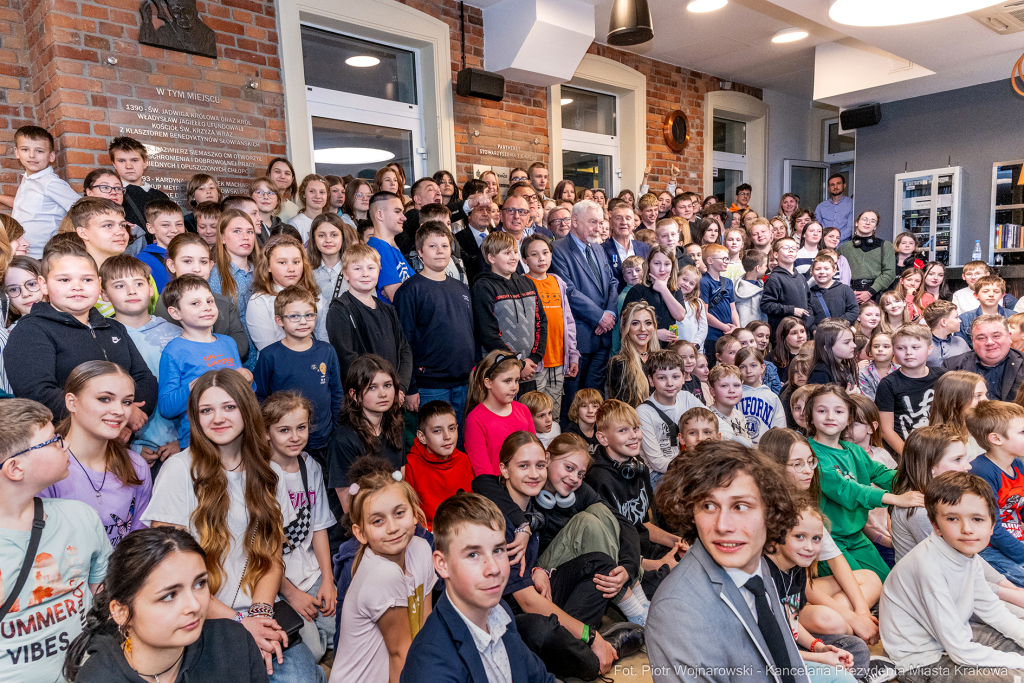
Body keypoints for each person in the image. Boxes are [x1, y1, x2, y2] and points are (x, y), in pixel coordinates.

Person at [142, 370, 325, 681]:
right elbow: (170, 569)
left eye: (229, 407)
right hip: (201, 618)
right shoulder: (179, 470)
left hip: (258, 609)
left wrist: (261, 615)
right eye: (206, 410)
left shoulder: (269, 473)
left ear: (246, 409)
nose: (217, 418)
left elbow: (271, 558)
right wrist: (240, 623)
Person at [648, 439, 807, 683]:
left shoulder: (755, 560)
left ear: (770, 510)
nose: (723, 526)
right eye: (709, 506)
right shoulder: (678, 611)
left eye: (740, 506)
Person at [64, 525, 270, 683]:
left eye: (200, 583)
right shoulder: (98, 677)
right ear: (121, 612)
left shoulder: (235, 641)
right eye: (170, 595)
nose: (195, 606)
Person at [0, 397, 110, 681]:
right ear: (15, 469)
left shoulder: (80, 517)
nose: (66, 445)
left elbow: (102, 595)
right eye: (52, 441)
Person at [880, 471, 1024, 680]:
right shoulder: (929, 567)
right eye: (952, 519)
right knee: (1008, 678)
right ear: (936, 525)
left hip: (952, 638)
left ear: (992, 525)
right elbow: (960, 651)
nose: (967, 529)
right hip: (920, 659)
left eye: (977, 519)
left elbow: (992, 610)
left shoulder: (967, 554)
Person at [400, 492, 556, 683]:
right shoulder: (430, 664)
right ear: (442, 564)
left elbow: (541, 679)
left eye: (498, 550)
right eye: (473, 555)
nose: (494, 568)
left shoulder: (500, 613)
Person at [5, 243, 158, 424]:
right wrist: (111, 417)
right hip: (67, 441)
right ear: (43, 285)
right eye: (64, 280)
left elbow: (144, 379)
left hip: (123, 439)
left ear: (99, 285)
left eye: (87, 280)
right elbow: (37, 393)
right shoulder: (31, 331)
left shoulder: (114, 328)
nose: (77, 287)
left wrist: (126, 417)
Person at [758, 429, 883, 647]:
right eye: (797, 464)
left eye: (810, 462)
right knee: (830, 620)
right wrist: (853, 616)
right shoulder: (770, 511)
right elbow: (798, 585)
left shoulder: (803, 506)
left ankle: (839, 628)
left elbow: (836, 559)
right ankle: (836, 632)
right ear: (774, 466)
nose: (808, 470)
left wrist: (862, 611)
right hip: (778, 598)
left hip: (798, 593)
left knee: (871, 579)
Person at [806, 384, 922, 581]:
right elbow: (845, 489)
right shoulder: (809, 451)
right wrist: (895, 499)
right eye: (822, 410)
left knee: (887, 583)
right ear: (810, 416)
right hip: (829, 539)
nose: (830, 416)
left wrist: (922, 482)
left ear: (849, 418)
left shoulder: (854, 450)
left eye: (839, 411)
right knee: (860, 587)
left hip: (856, 536)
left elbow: (883, 474)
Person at [261, 392, 337, 665]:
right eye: (284, 430)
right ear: (267, 433)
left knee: (338, 634)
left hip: (312, 573)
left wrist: (328, 580)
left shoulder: (310, 466)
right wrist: (291, 594)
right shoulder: (261, 475)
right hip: (278, 583)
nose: (294, 437)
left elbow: (318, 528)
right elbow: (260, 549)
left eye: (301, 428)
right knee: (314, 651)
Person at [41, 360, 152, 546]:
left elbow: (139, 544)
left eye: (126, 402)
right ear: (72, 402)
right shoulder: (44, 463)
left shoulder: (136, 465)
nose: (118, 411)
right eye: (104, 399)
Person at [763, 499, 863, 682]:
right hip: (771, 658)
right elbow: (771, 648)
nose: (809, 547)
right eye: (799, 536)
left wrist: (817, 646)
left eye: (816, 538)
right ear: (776, 536)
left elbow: (790, 621)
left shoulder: (797, 569)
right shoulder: (764, 574)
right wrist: (820, 658)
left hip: (793, 648)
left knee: (856, 648)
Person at [100, 254, 182, 466]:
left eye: (138, 283)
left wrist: (184, 441)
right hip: (129, 449)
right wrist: (130, 448)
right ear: (104, 294)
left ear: (151, 288)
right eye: (119, 285)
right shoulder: (100, 338)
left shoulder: (177, 333)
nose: (131, 291)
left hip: (183, 444)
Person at [392, 223, 474, 421]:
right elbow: (404, 342)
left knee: (460, 444)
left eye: (445, 246)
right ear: (420, 252)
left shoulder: (461, 288)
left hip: (464, 383)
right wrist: (410, 387)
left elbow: (471, 333)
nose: (440, 252)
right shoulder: (410, 290)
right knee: (434, 443)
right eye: (432, 246)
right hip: (429, 386)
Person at [253, 285, 342, 466]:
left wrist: (338, 431)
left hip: (323, 439)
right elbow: (259, 397)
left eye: (309, 315)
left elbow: (336, 393)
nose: (303, 321)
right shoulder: (269, 355)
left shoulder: (327, 351)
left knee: (323, 489)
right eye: (294, 316)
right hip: (285, 441)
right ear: (279, 320)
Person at [549, 200, 618, 419]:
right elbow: (568, 291)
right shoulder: (558, 249)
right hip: (578, 339)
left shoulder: (598, 247)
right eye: (592, 222)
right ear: (575, 221)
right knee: (573, 402)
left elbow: (612, 283)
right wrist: (599, 317)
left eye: (599, 222)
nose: (597, 227)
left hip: (603, 338)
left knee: (595, 401)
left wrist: (610, 315)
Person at [471, 231, 547, 394]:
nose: (513, 257)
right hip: (500, 372)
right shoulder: (483, 287)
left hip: (530, 370)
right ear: (491, 258)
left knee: (531, 416)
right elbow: (488, 334)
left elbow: (541, 322)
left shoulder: (527, 282)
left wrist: (533, 359)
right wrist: (518, 364)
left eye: (515, 252)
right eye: (507, 253)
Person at [155, 232, 249, 362]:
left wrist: (217, 355)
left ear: (211, 266)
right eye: (187, 261)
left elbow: (241, 342)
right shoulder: (166, 304)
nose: (197, 268)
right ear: (171, 265)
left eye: (203, 262)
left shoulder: (223, 303)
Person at [967, 400, 1024, 587]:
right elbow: (992, 528)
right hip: (990, 548)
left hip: (1014, 540)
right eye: (1022, 432)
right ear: (996, 439)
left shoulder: (1017, 464)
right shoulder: (982, 471)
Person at [522, 234, 579, 418]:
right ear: (524, 259)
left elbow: (568, 322)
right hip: (535, 363)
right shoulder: (522, 284)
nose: (541, 258)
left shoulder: (558, 282)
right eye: (534, 254)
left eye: (545, 253)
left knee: (552, 416)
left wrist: (573, 355)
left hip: (558, 361)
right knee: (534, 413)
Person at [637, 350, 703, 488]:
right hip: (659, 473)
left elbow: (716, 423)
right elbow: (657, 462)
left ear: (683, 377)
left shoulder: (687, 398)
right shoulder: (644, 412)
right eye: (662, 378)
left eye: (675, 376)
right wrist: (692, 467)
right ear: (651, 380)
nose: (669, 383)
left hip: (688, 465)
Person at [404, 400, 474, 529]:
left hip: (462, 528)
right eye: (437, 431)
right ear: (422, 437)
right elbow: (408, 513)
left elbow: (471, 507)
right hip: (428, 532)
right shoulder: (410, 465)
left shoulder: (464, 460)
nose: (447, 436)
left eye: (452, 428)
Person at [464, 350, 535, 476]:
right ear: (488, 383)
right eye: (507, 381)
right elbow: (483, 473)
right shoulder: (475, 420)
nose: (514, 387)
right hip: (496, 490)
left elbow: (533, 452)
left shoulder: (523, 411)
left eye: (516, 380)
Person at [944, 315, 1024, 402]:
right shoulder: (953, 366)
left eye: (996, 336)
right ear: (973, 341)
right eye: (981, 338)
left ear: (1009, 337)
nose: (989, 342)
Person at [108, 137, 170, 240]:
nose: (129, 166)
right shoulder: (111, 195)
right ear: (114, 164)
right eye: (122, 161)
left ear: (145, 162)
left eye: (134, 160)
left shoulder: (161, 197)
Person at [836, 211, 895, 304]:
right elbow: (839, 275)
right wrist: (851, 292)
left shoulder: (886, 246)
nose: (868, 223)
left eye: (872, 221)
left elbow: (889, 273)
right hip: (852, 294)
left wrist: (870, 292)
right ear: (856, 222)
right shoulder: (843, 249)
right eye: (864, 219)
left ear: (875, 226)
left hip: (877, 294)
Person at [365, 192, 412, 303]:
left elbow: (417, 284)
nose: (404, 218)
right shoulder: (379, 249)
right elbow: (399, 298)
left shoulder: (392, 250)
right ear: (380, 215)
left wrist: (404, 287)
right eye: (397, 211)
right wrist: (400, 289)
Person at [761, 236, 811, 340]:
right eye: (786, 248)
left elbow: (809, 303)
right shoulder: (774, 278)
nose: (791, 250)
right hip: (783, 335)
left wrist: (808, 323)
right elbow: (766, 305)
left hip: (802, 332)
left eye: (794, 248)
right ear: (776, 254)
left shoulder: (801, 277)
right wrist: (792, 310)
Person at [737, 347, 785, 445]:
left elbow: (780, 429)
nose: (748, 371)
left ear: (762, 368)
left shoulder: (772, 397)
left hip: (764, 451)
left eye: (753, 365)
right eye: (742, 367)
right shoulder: (734, 395)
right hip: (738, 451)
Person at [138, 199, 187, 293]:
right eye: (165, 225)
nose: (174, 230)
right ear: (151, 228)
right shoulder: (142, 261)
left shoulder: (192, 254)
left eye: (179, 224)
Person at [308, 213, 355, 306]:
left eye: (334, 235)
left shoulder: (356, 268)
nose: (328, 240)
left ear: (342, 237)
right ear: (313, 239)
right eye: (321, 235)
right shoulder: (307, 272)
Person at [602, 201, 651, 291]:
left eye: (628, 218)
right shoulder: (601, 250)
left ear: (633, 223)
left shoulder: (645, 248)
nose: (624, 222)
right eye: (618, 218)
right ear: (611, 223)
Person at [958, 275, 1013, 349]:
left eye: (996, 291)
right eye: (985, 291)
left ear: (1002, 295)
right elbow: (960, 349)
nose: (991, 295)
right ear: (976, 295)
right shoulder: (964, 319)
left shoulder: (1013, 317)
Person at [807, 255, 859, 333]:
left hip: (842, 332)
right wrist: (814, 330)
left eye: (826, 268)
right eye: (818, 269)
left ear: (834, 271)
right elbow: (808, 316)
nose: (822, 272)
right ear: (812, 273)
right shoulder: (809, 294)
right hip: (820, 335)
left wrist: (838, 326)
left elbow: (853, 310)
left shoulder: (845, 289)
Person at [806, 319, 859, 390]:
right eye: (846, 342)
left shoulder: (844, 366)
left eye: (852, 341)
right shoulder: (820, 373)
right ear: (827, 347)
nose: (854, 345)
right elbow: (821, 400)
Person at [925, 299, 969, 367]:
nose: (960, 321)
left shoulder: (960, 342)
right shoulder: (922, 345)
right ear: (943, 322)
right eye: (956, 317)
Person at [814, 173, 854, 244]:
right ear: (829, 188)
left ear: (844, 185)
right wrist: (826, 239)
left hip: (844, 245)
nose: (835, 187)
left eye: (838, 183)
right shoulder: (821, 207)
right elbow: (817, 227)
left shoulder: (852, 204)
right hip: (824, 245)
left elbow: (850, 228)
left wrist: (836, 239)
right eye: (832, 185)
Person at [735, 249, 768, 327]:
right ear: (757, 268)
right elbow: (745, 320)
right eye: (765, 266)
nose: (766, 269)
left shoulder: (760, 284)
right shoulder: (744, 292)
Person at [858, 331, 895, 400]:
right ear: (870, 350)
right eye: (876, 346)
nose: (880, 349)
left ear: (895, 349)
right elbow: (868, 402)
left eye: (886, 346)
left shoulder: (902, 371)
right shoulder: (863, 374)